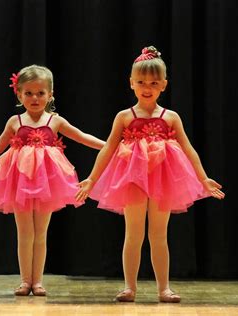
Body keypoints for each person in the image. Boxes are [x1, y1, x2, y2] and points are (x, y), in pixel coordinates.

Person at [76, 46, 225, 303]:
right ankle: (129, 287)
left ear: (164, 85)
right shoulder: (124, 117)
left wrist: (203, 178)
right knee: (133, 234)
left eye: (154, 82)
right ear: (131, 83)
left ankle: (163, 288)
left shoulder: (171, 118)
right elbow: (108, 149)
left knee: (158, 235)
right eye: (142, 82)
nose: (147, 87)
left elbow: (188, 149)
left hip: (163, 180)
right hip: (132, 180)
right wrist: (92, 178)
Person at [0, 65, 104, 296]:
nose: (35, 98)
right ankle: (24, 281)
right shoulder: (15, 122)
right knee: (24, 232)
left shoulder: (55, 121)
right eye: (28, 93)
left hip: (48, 181)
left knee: (41, 233)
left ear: (50, 94)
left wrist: (109, 145)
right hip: (19, 181)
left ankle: (37, 281)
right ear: (19, 94)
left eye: (40, 93)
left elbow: (82, 137)